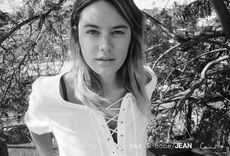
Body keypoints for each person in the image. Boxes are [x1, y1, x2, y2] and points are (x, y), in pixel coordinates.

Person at [24, 0, 157, 155]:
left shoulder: (146, 81)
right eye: (93, 31)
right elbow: (36, 127)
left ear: (132, 36)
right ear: (76, 35)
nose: (105, 46)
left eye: (118, 32)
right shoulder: (49, 94)